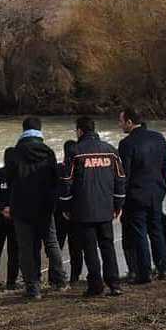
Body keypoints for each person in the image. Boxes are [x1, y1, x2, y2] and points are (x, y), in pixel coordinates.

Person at [60, 117, 126, 297]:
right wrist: (118, 204)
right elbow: (120, 179)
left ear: (80, 131)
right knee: (107, 246)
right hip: (106, 207)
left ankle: (96, 285)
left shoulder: (75, 151)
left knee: (89, 248)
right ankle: (115, 284)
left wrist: (65, 206)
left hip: (83, 209)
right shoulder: (111, 151)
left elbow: (67, 182)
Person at [6, 117, 66, 299]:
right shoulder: (48, 152)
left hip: (22, 208)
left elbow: (9, 180)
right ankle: (59, 281)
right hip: (45, 207)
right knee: (51, 243)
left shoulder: (13, 153)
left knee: (26, 248)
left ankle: (33, 288)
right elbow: (55, 180)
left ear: (23, 130)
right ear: (40, 130)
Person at [118, 108, 166, 283]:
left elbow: (125, 174)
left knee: (140, 233)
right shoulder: (158, 137)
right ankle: (162, 268)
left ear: (130, 122)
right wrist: (161, 186)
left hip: (136, 193)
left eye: (121, 121)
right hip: (156, 191)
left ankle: (144, 272)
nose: (120, 125)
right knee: (156, 230)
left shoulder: (126, 144)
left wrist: (120, 199)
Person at [0, 148, 20, 289]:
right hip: (16, 219)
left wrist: (2, 209)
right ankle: (11, 283)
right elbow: (27, 198)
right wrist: (12, 209)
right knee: (14, 253)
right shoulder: (22, 176)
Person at [57, 140, 85, 284]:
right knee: (76, 247)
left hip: (59, 212)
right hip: (78, 212)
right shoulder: (82, 168)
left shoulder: (58, 168)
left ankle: (54, 277)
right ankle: (75, 277)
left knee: (56, 246)